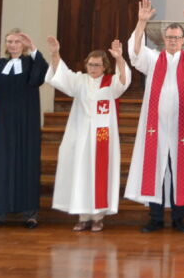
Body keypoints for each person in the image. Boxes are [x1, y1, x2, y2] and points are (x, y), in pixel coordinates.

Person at [126, 0, 184, 233]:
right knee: (156, 169)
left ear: (183, 40)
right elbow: (135, 52)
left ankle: (179, 219)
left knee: (179, 169)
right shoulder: (153, 58)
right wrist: (141, 23)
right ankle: (155, 218)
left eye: (177, 37)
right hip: (156, 125)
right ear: (164, 39)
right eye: (169, 37)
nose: (173, 41)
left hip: (182, 125)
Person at [45, 36, 130, 232]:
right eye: (90, 65)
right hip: (80, 135)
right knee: (81, 173)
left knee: (99, 173)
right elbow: (61, 75)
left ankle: (98, 217)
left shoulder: (110, 82)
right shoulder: (80, 80)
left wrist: (119, 58)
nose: (93, 68)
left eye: (97, 65)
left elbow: (123, 82)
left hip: (102, 136)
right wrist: (55, 53)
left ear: (104, 67)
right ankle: (82, 216)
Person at [0, 27, 48, 228]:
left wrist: (34, 48)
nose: (13, 45)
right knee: (1, 164)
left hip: (26, 123)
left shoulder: (31, 63)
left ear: (23, 45)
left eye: (17, 41)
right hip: (3, 123)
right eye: (10, 41)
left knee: (27, 162)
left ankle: (30, 215)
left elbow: (38, 77)